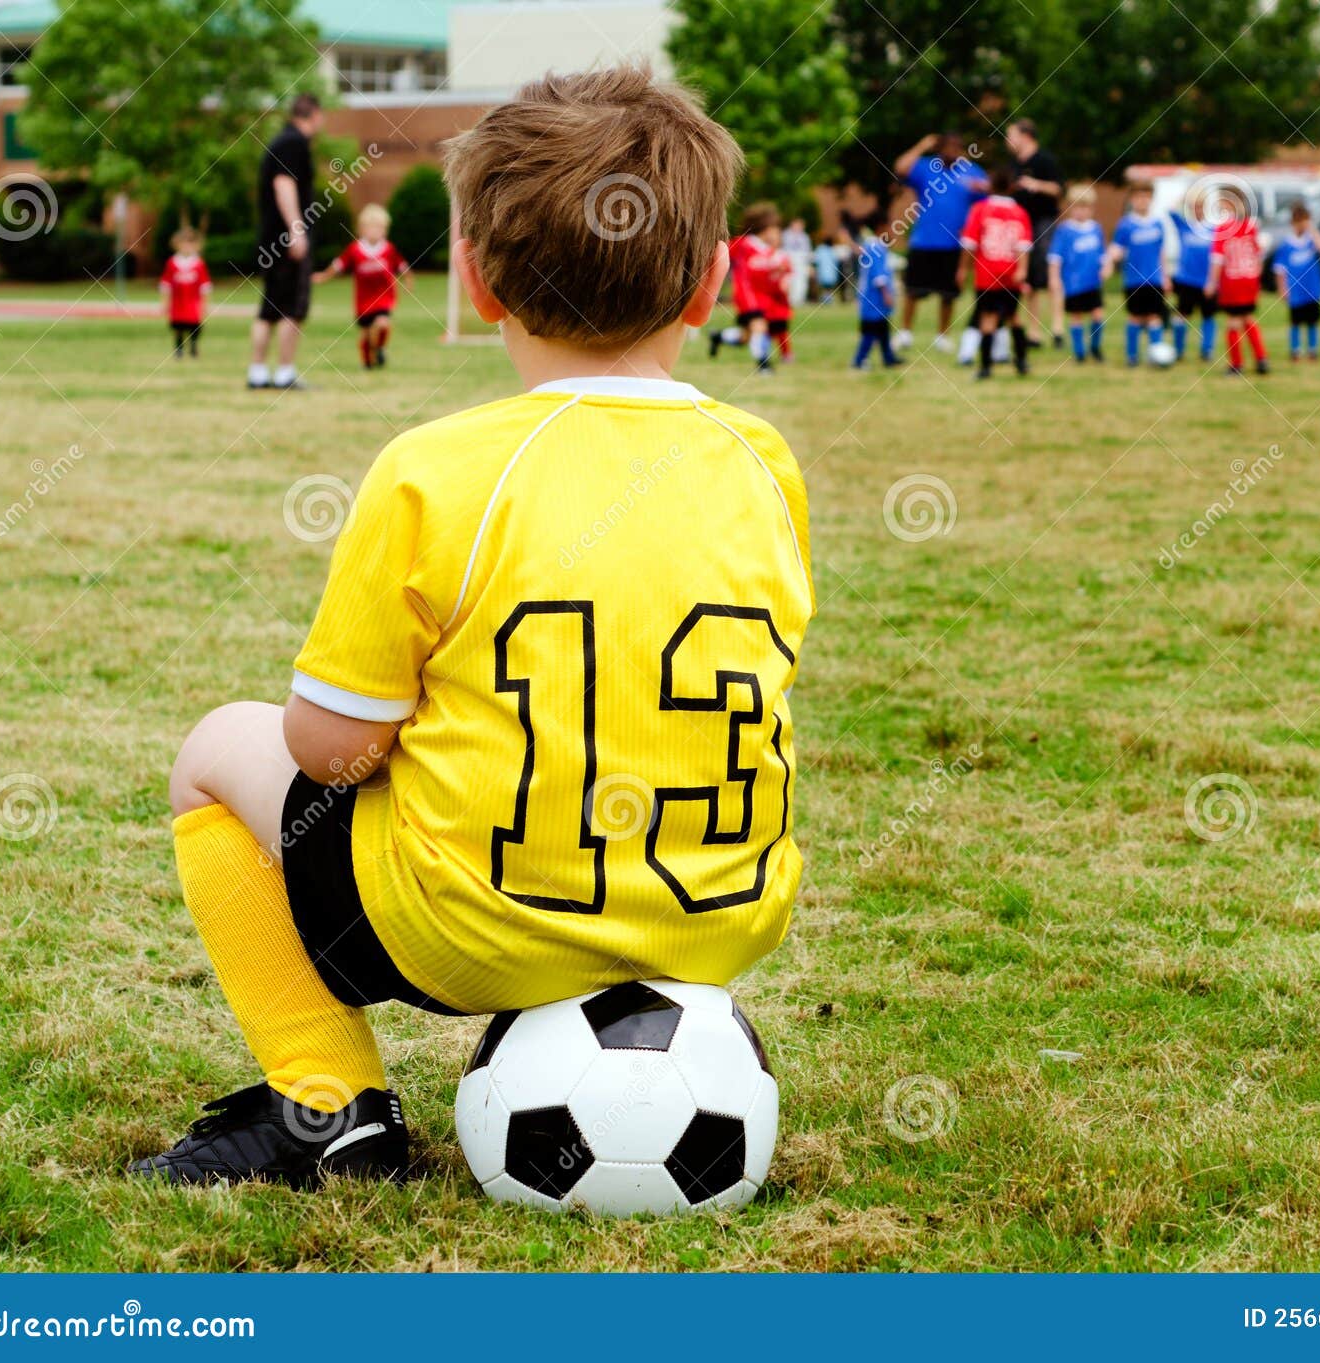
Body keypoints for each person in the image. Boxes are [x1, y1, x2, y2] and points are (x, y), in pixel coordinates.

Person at [130, 65, 815, 1187]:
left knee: (217, 747)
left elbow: (328, 751)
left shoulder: (436, 469)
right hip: (719, 917)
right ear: (712, 285)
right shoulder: (763, 462)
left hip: (468, 929)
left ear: (479, 282)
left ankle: (326, 1105)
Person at [248, 93, 323, 391]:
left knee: (269, 308)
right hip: (286, 240)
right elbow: (284, 184)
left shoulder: (280, 141)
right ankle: (284, 372)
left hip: (271, 239)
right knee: (291, 307)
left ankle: (257, 372)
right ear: (314, 114)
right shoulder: (294, 143)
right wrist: (296, 230)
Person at [893, 132, 988, 352]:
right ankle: (905, 333)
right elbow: (900, 167)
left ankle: (942, 336)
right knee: (913, 291)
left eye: (957, 147)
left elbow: (990, 194)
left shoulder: (971, 172)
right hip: (924, 241)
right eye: (948, 147)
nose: (952, 152)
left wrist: (982, 189)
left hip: (954, 244)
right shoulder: (927, 167)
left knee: (948, 294)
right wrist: (922, 144)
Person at [313, 205, 410, 370]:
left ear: (385, 229)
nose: (375, 231)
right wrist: (323, 276)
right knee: (366, 333)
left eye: (379, 227)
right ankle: (367, 361)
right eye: (370, 227)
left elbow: (402, 266)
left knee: (382, 323)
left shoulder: (388, 249)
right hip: (363, 300)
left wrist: (408, 282)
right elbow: (338, 265)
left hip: (384, 297)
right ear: (361, 229)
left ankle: (379, 348)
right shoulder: (355, 249)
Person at [958, 168, 1032, 379]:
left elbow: (969, 244)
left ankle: (985, 367)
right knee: (1013, 317)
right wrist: (1023, 270)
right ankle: (1022, 361)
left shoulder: (980, 209)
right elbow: (1023, 246)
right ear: (1012, 187)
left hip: (987, 274)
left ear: (990, 185)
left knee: (987, 319)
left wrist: (963, 269)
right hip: (1011, 274)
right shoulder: (1020, 212)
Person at [1004, 117, 1063, 349]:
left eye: (1010, 135)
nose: (1007, 141)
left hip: (1044, 224)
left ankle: (1058, 328)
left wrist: (1036, 185)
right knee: (1028, 280)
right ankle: (1034, 332)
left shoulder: (1045, 160)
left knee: (1049, 276)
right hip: (1020, 226)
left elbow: (1059, 188)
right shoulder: (1012, 165)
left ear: (1025, 136)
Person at [1205, 188, 1269, 376]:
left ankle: (1237, 364)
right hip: (1249, 280)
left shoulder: (1223, 228)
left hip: (1233, 282)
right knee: (1247, 318)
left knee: (1233, 322)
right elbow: (1258, 255)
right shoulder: (1251, 225)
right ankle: (1261, 359)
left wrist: (1211, 282)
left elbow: (1218, 260)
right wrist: (1257, 278)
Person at [707, 201, 777, 371]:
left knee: (747, 336)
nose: (775, 232)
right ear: (764, 227)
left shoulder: (764, 249)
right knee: (759, 327)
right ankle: (763, 365)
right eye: (773, 227)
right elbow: (721, 251)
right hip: (747, 296)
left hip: (760, 297)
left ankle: (718, 337)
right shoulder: (744, 243)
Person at [1109, 179, 1171, 367]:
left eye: (1146, 197)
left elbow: (1161, 252)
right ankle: (1132, 356)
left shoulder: (1157, 224)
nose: (1142, 201)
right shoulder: (1126, 225)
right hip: (1133, 280)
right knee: (1135, 317)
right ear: (1132, 200)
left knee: (1154, 317)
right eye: (1138, 197)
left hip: (1155, 279)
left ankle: (1156, 355)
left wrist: (1166, 276)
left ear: (1151, 199)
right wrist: (1108, 262)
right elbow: (1116, 249)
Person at [1048, 184, 1110, 364]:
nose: (1080, 211)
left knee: (1098, 314)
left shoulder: (1095, 229)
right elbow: (1055, 257)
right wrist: (1054, 278)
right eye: (1076, 207)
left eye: (1084, 207)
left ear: (1091, 209)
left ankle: (1096, 348)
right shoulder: (1064, 230)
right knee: (1076, 316)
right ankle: (1079, 352)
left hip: (1093, 282)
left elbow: (1102, 254)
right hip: (1073, 283)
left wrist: (1106, 267)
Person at [1275, 202, 1320, 362]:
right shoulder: (1286, 245)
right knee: (1295, 322)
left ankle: (1313, 350)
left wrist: (1311, 229)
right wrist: (1282, 288)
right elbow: (1279, 269)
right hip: (1295, 292)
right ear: (1293, 223)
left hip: (1312, 290)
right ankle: (1295, 350)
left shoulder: (1311, 241)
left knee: (1313, 322)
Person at [1169, 191, 1217, 362]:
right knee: (1181, 315)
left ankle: (1207, 350)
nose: (1197, 210)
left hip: (1206, 282)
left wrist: (1213, 280)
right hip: (1186, 280)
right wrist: (1185, 195)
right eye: (1194, 206)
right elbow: (1170, 210)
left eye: (1200, 206)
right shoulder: (1184, 226)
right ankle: (1178, 350)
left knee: (1208, 316)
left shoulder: (1213, 229)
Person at [852, 220, 900, 369]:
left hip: (875, 298)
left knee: (883, 328)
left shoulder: (875, 246)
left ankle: (888, 357)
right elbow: (878, 275)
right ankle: (860, 360)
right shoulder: (875, 247)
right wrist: (886, 294)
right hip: (873, 298)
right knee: (870, 329)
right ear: (881, 227)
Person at [160, 227, 211, 360]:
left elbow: (205, 287)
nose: (186, 246)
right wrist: (164, 303)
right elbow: (166, 285)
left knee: (194, 326)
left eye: (190, 243)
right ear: (176, 245)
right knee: (178, 327)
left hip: (193, 302)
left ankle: (193, 347)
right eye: (183, 243)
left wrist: (205, 304)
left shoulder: (199, 264)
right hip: (177, 302)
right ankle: (179, 349)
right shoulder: (172, 263)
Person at [747, 220, 795, 360]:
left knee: (781, 329)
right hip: (764, 300)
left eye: (776, 234)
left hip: (779, 301)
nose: (773, 237)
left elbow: (788, 274)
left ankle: (786, 354)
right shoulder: (759, 255)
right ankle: (763, 356)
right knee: (765, 329)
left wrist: (785, 282)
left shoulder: (782, 256)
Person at [814, 234, 842, 303]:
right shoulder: (833, 250)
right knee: (829, 289)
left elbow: (816, 261)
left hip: (823, 274)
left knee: (824, 289)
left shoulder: (820, 249)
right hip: (831, 275)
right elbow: (837, 261)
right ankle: (828, 300)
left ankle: (825, 299)